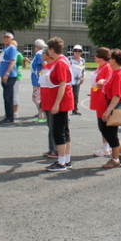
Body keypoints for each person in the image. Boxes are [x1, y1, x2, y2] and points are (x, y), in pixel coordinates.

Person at [41, 37, 74, 172]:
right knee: (63, 130)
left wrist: (56, 104)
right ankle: (66, 159)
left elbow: (62, 84)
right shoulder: (59, 61)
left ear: (52, 50)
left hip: (60, 102)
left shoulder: (60, 63)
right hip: (58, 101)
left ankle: (61, 161)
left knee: (59, 131)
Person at [99, 48, 121, 168]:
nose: (109, 60)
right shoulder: (115, 72)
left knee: (110, 133)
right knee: (106, 131)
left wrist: (108, 111)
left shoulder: (119, 74)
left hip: (113, 107)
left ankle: (115, 159)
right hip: (108, 105)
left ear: (114, 60)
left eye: (110, 58)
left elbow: (117, 95)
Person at [91, 48, 114, 158]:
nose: (94, 57)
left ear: (101, 57)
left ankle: (107, 147)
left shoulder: (107, 68)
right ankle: (106, 146)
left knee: (103, 124)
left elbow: (110, 81)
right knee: (101, 124)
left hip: (103, 98)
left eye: (96, 55)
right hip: (97, 96)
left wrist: (103, 81)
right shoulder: (100, 67)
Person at [0, 32, 18, 124]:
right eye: (4, 37)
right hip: (3, 74)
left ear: (11, 39)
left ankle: (10, 117)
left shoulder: (12, 48)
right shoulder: (5, 48)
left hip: (9, 76)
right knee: (5, 96)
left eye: (8, 38)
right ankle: (7, 114)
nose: (5, 39)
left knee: (8, 97)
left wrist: (7, 73)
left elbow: (12, 62)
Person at [31, 39, 47, 123]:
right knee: (37, 97)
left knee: (36, 97)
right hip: (37, 77)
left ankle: (42, 114)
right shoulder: (39, 54)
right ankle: (41, 113)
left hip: (38, 78)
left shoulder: (39, 54)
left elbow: (45, 65)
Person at [69, 45, 86, 116]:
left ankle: (75, 109)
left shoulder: (82, 60)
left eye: (79, 51)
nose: (77, 52)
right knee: (67, 95)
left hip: (77, 80)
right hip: (69, 80)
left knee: (75, 95)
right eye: (76, 50)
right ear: (73, 51)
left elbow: (83, 70)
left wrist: (83, 77)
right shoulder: (69, 59)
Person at [12, 40, 23, 118]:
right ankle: (10, 110)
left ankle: (15, 111)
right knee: (10, 94)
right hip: (10, 76)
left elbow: (21, 64)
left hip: (16, 76)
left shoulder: (18, 55)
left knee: (15, 94)